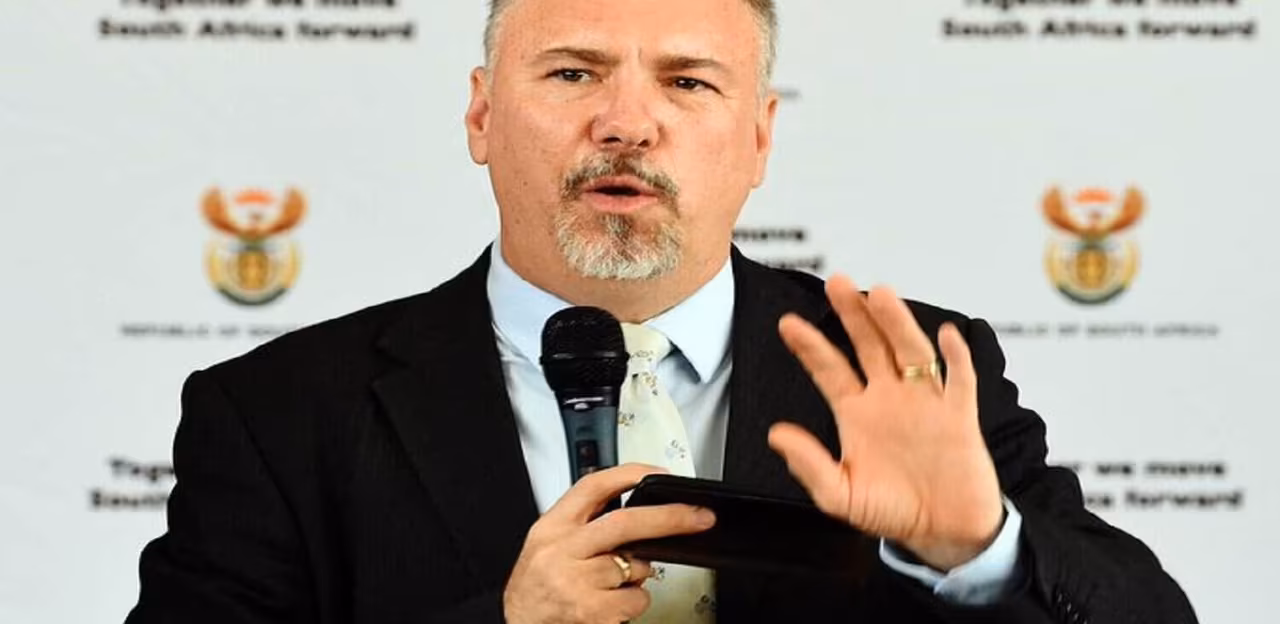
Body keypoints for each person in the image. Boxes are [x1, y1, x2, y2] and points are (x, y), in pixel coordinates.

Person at [126, 0, 1198, 622]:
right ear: (481, 116)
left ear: (760, 138)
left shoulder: (904, 366)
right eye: (571, 73)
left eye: (687, 82)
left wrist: (981, 545)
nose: (626, 123)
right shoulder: (278, 412)